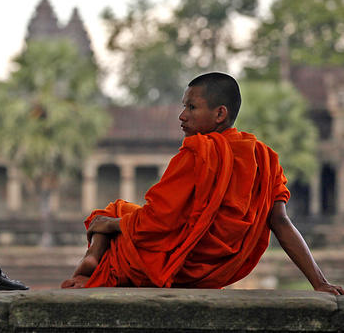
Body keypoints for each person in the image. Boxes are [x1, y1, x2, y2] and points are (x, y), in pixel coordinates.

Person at [62, 72, 343, 295]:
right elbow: (282, 223)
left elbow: (158, 220)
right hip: (214, 272)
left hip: (176, 266)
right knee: (119, 215)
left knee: (112, 212)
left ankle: (90, 265)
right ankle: (94, 260)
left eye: (192, 107)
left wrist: (109, 225)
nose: (182, 115)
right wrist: (319, 282)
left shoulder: (198, 152)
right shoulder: (264, 158)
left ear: (220, 114)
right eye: (184, 106)